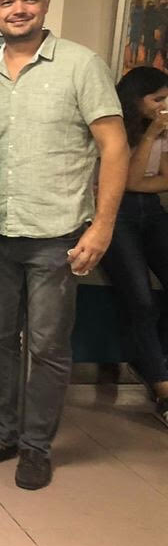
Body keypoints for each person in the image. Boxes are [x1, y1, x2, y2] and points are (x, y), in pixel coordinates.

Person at [0, 0, 128, 490]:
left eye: (29, 0)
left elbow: (115, 148)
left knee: (48, 347)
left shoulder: (82, 65)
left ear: (46, 4)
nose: (19, 10)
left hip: (58, 235)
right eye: (8, 2)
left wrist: (102, 228)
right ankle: (2, 435)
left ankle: (36, 446)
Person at [98, 65, 168, 426]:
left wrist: (138, 182)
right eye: (157, 99)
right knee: (140, 299)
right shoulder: (114, 128)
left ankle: (152, 360)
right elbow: (126, 179)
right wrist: (152, 133)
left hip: (151, 212)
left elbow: (159, 181)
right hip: (117, 214)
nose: (163, 106)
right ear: (136, 99)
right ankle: (161, 386)